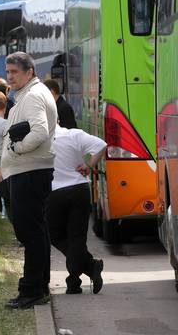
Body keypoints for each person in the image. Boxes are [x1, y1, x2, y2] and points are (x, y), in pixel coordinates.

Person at [0, 52, 58, 309]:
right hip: (28, 172)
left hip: (30, 173)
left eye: (14, 72)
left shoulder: (33, 96)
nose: (9, 77)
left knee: (29, 233)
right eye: (8, 71)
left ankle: (32, 290)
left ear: (29, 72)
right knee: (36, 232)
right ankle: (39, 286)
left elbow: (40, 132)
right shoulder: (29, 94)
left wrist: (18, 149)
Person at [47, 124, 106, 295]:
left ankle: (80, 276)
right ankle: (81, 274)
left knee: (55, 235)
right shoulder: (74, 134)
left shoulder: (41, 139)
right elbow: (101, 145)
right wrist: (89, 165)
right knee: (77, 237)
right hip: (79, 189)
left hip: (55, 192)